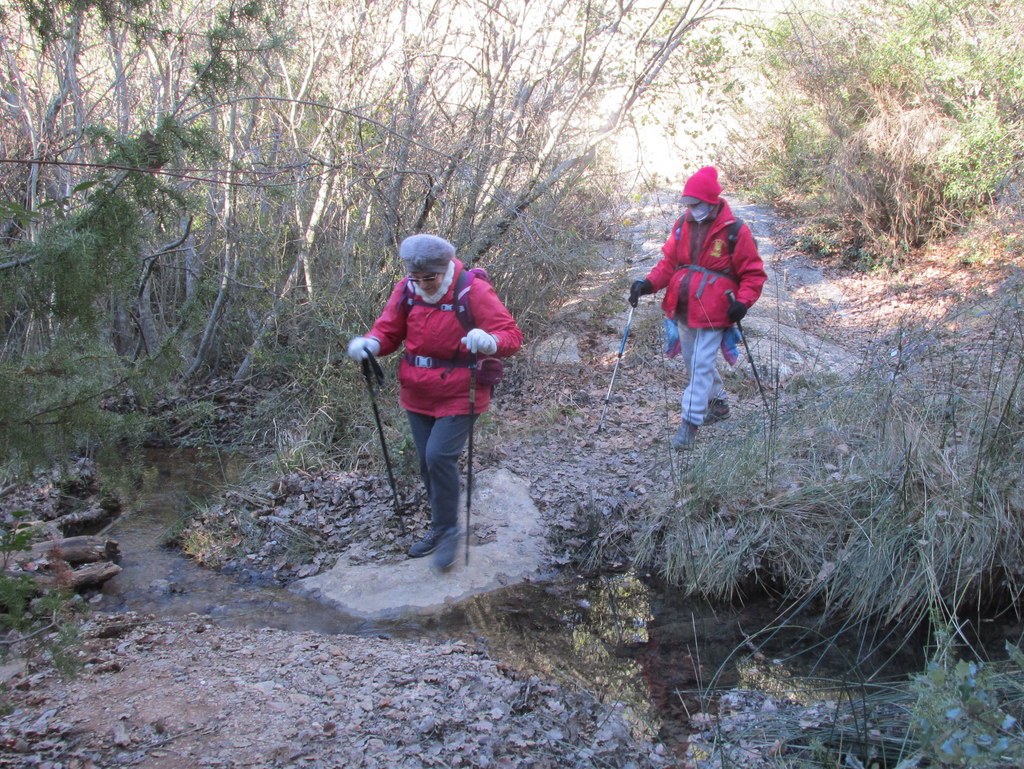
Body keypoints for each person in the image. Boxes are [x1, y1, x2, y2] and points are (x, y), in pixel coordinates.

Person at [347, 234, 523, 570]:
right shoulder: (407, 289)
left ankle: (448, 532)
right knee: (428, 464)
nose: (424, 285)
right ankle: (440, 528)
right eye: (417, 278)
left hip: (462, 390)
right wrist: (370, 344)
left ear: (444, 269)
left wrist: (488, 340)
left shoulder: (472, 289)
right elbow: (388, 331)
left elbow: (511, 336)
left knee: (438, 456)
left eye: (431, 278)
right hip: (417, 390)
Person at [629, 166, 766, 449]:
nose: (691, 209)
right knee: (695, 366)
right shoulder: (682, 225)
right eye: (688, 204)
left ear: (711, 201)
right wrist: (648, 284)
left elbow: (753, 273)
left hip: (716, 311)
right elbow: (668, 263)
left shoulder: (735, 231)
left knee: (701, 365)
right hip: (681, 307)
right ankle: (719, 404)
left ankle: (689, 425)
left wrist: (742, 302)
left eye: (696, 204)